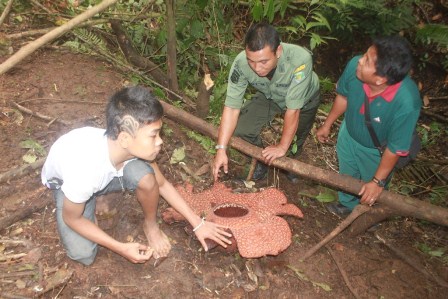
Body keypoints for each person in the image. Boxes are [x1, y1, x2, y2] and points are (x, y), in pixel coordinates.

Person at [41, 86, 232, 266]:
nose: (160, 142)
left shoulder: (129, 148)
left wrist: (198, 224)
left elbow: (162, 184)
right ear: (124, 138)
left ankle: (149, 226)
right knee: (83, 254)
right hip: (66, 183)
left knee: (148, 178)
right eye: (153, 135)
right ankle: (93, 197)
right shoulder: (85, 171)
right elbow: (72, 219)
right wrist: (121, 248)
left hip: (108, 171)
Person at [316, 35, 421, 217]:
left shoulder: (406, 102)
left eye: (366, 60)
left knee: (370, 186)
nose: (359, 61)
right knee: (347, 172)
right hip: (348, 134)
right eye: (365, 54)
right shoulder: (354, 67)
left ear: (380, 79)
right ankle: (347, 204)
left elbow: (395, 148)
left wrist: (377, 181)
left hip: (376, 150)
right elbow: (344, 96)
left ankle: (367, 214)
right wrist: (328, 124)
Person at [212, 22, 321, 183]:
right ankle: (261, 160)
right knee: (242, 129)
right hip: (269, 96)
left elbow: (293, 110)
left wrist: (282, 147)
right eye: (251, 61)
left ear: (278, 51)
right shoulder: (241, 63)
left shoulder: (299, 60)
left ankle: (290, 163)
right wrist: (221, 149)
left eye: (263, 62)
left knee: (294, 141)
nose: (256, 68)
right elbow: (231, 107)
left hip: (304, 100)